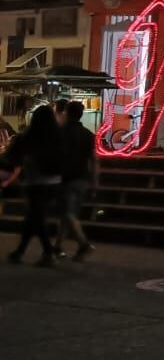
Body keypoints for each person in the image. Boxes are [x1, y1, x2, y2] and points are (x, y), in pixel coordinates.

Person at [2, 105, 66, 267]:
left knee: (37, 217)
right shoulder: (58, 136)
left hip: (35, 182)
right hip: (54, 183)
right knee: (34, 217)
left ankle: (48, 253)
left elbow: (11, 157)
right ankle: (20, 252)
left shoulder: (29, 136)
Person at [53, 100, 96, 260]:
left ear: (67, 113)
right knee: (67, 214)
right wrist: (95, 180)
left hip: (66, 177)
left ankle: (83, 244)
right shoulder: (88, 134)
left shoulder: (61, 132)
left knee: (67, 213)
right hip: (82, 177)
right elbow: (93, 159)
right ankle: (57, 246)